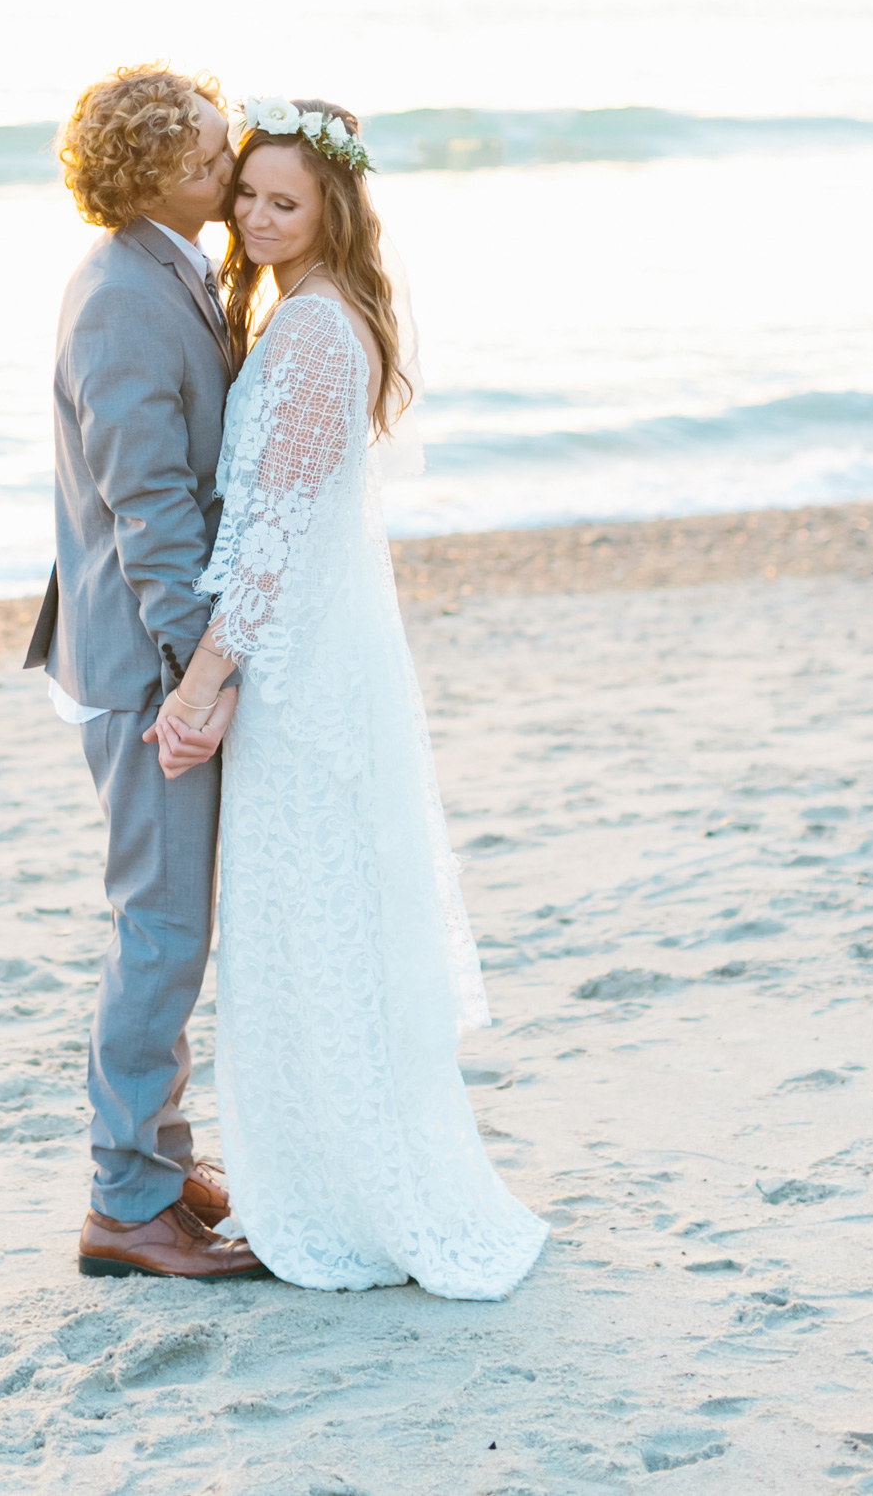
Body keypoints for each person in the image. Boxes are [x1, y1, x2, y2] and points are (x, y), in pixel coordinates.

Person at [152, 95, 548, 1300]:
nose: (261, 219)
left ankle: (352, 1195)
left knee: (310, 918)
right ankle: (323, 1178)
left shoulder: (318, 333)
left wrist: (204, 683)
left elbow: (270, 535)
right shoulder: (307, 313)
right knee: (304, 918)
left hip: (301, 674)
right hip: (312, 659)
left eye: (287, 202)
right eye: (249, 198)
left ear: (334, 208)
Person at [23, 64, 266, 1281]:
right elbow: (148, 507)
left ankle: (159, 1159)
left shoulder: (166, 264)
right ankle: (125, 1200)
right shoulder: (121, 295)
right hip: (140, 664)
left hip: (147, 649)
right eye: (217, 155)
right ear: (167, 171)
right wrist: (196, 679)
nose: (233, 167)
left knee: (170, 919)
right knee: (162, 930)